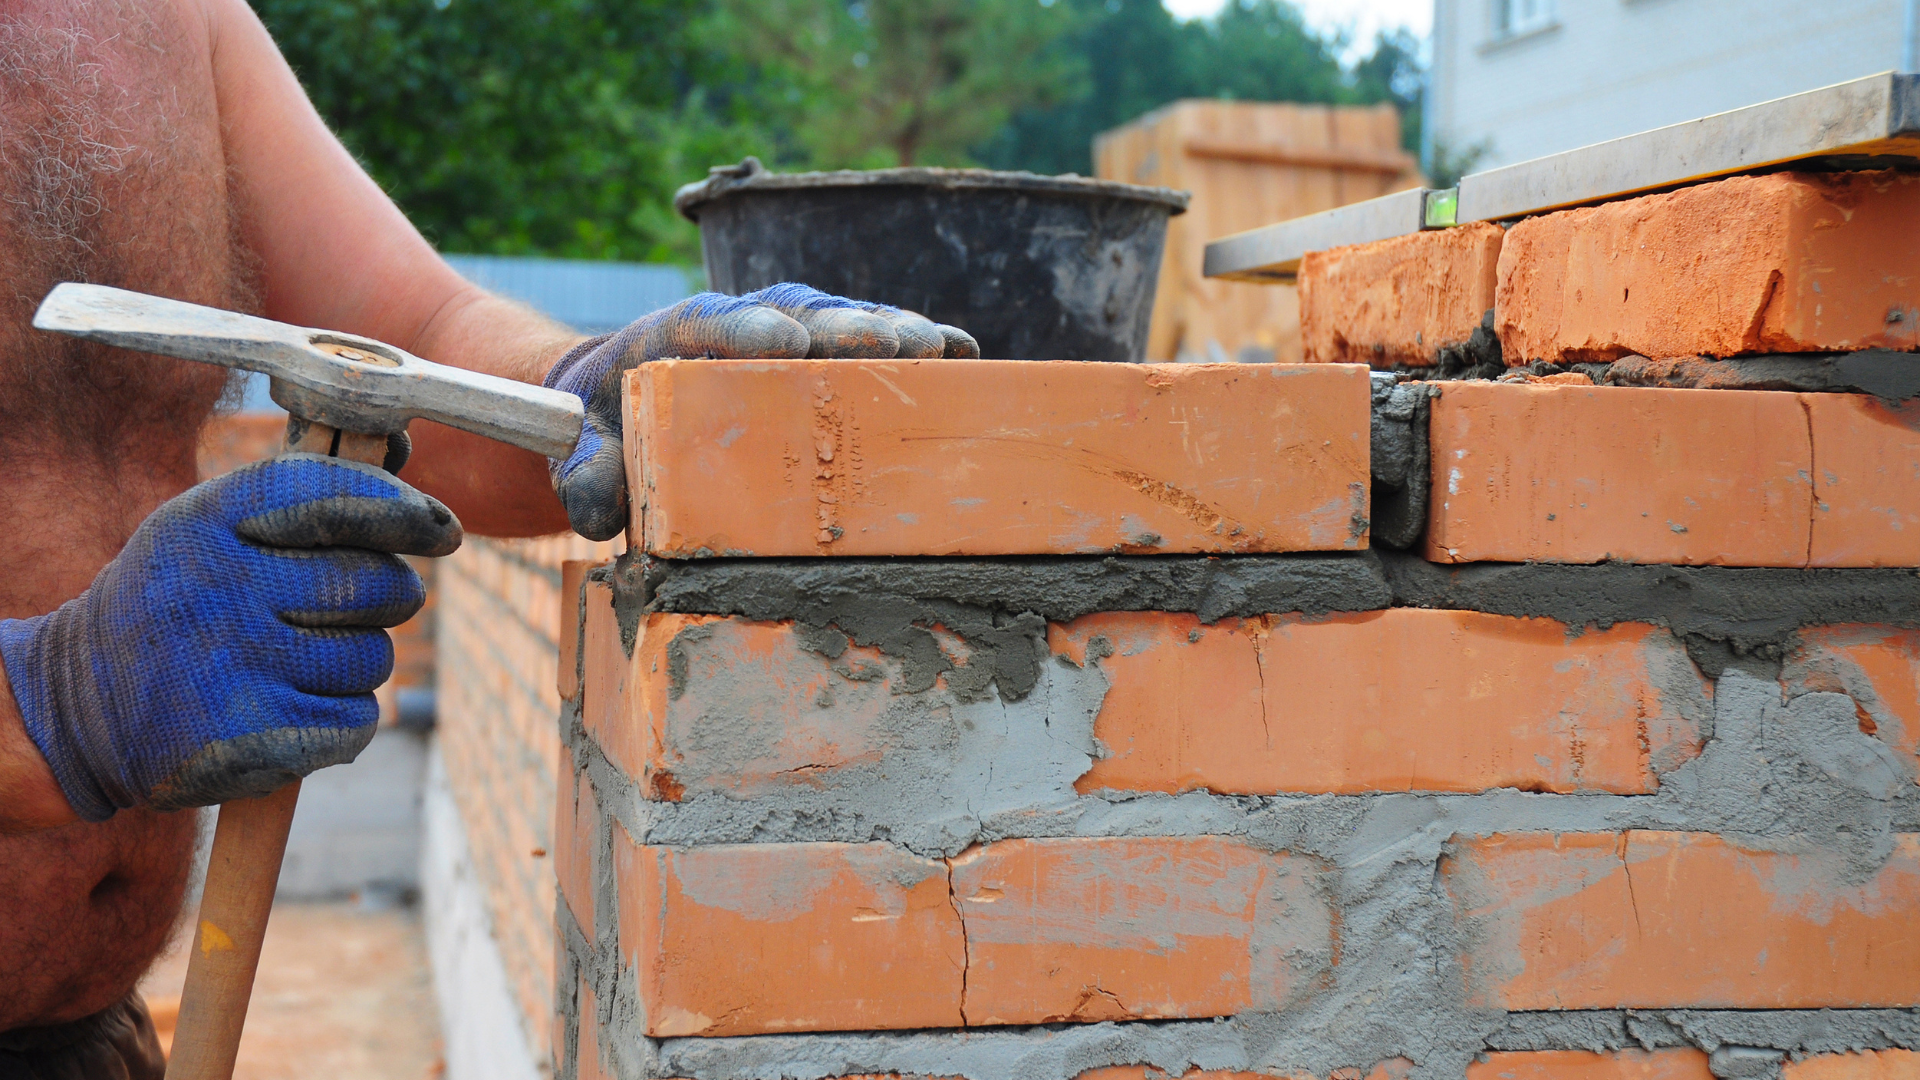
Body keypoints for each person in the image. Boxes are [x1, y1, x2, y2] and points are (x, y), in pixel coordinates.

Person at [0, 2, 971, 1075]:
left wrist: (580, 386)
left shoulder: (162, 21)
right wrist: (59, 699)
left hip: (91, 1042)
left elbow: (409, 344)